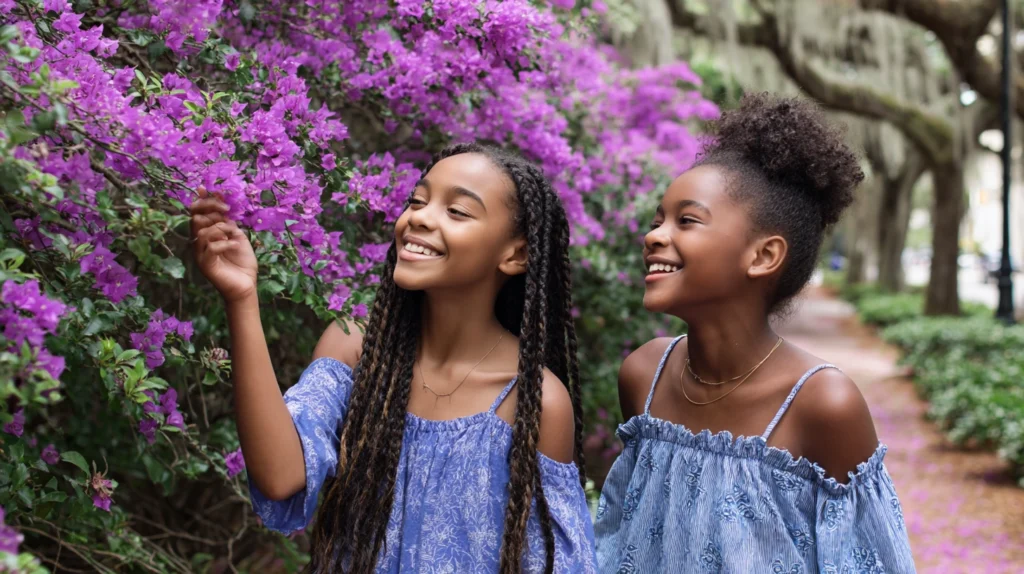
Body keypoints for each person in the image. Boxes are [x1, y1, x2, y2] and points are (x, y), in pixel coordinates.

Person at [191, 143, 596, 573]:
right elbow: (280, 475)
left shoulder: (535, 401)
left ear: (515, 254)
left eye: (457, 211)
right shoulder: (356, 348)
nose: (419, 217)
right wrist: (242, 298)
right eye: (417, 201)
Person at [594, 94, 915, 573]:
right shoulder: (644, 375)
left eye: (687, 221)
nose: (655, 235)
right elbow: (623, 538)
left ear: (764, 256)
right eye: (657, 219)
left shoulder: (824, 404)